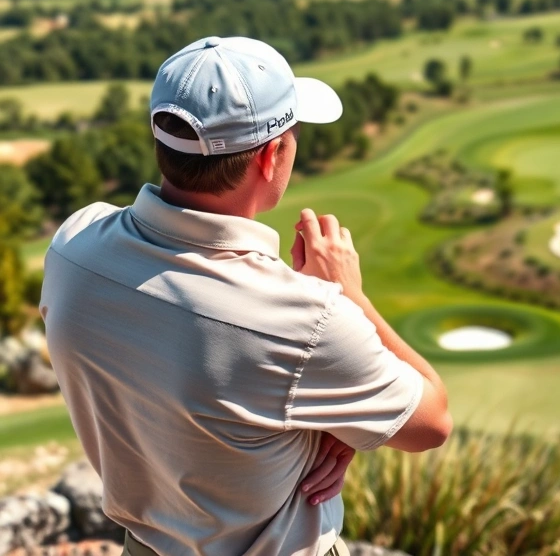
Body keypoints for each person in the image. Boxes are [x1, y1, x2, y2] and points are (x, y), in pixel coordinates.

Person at [39, 36, 451, 556]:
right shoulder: (307, 319)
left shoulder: (73, 246)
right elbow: (432, 422)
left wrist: (330, 410)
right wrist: (349, 297)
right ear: (271, 155)